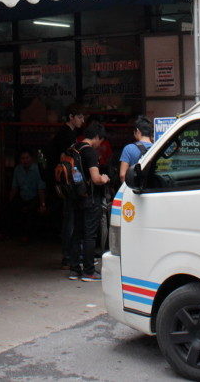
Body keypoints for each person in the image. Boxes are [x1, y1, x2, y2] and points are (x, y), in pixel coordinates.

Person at [68, 121, 110, 281]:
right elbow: (95, 178)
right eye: (101, 140)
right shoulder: (90, 152)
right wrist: (104, 179)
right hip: (90, 198)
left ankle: (74, 269)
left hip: (75, 196)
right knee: (90, 235)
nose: (100, 144)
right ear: (97, 137)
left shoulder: (74, 148)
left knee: (77, 232)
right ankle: (89, 271)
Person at [47, 104, 85, 270]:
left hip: (62, 181)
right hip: (66, 182)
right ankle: (68, 257)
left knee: (69, 218)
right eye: (79, 117)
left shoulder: (67, 133)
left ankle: (70, 255)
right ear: (71, 117)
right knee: (70, 219)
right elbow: (66, 161)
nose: (82, 121)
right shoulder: (67, 135)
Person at [9, 149, 46, 242]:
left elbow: (41, 189)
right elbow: (14, 187)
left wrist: (43, 204)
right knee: (11, 207)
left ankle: (27, 236)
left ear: (31, 159)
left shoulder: (37, 169)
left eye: (27, 158)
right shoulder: (18, 169)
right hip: (22, 196)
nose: (25, 160)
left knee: (31, 211)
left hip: (34, 197)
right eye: (22, 158)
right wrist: (10, 201)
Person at [119, 116, 154, 183]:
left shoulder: (129, 148)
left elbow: (122, 175)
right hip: (152, 189)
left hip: (135, 189)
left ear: (137, 131)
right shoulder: (157, 147)